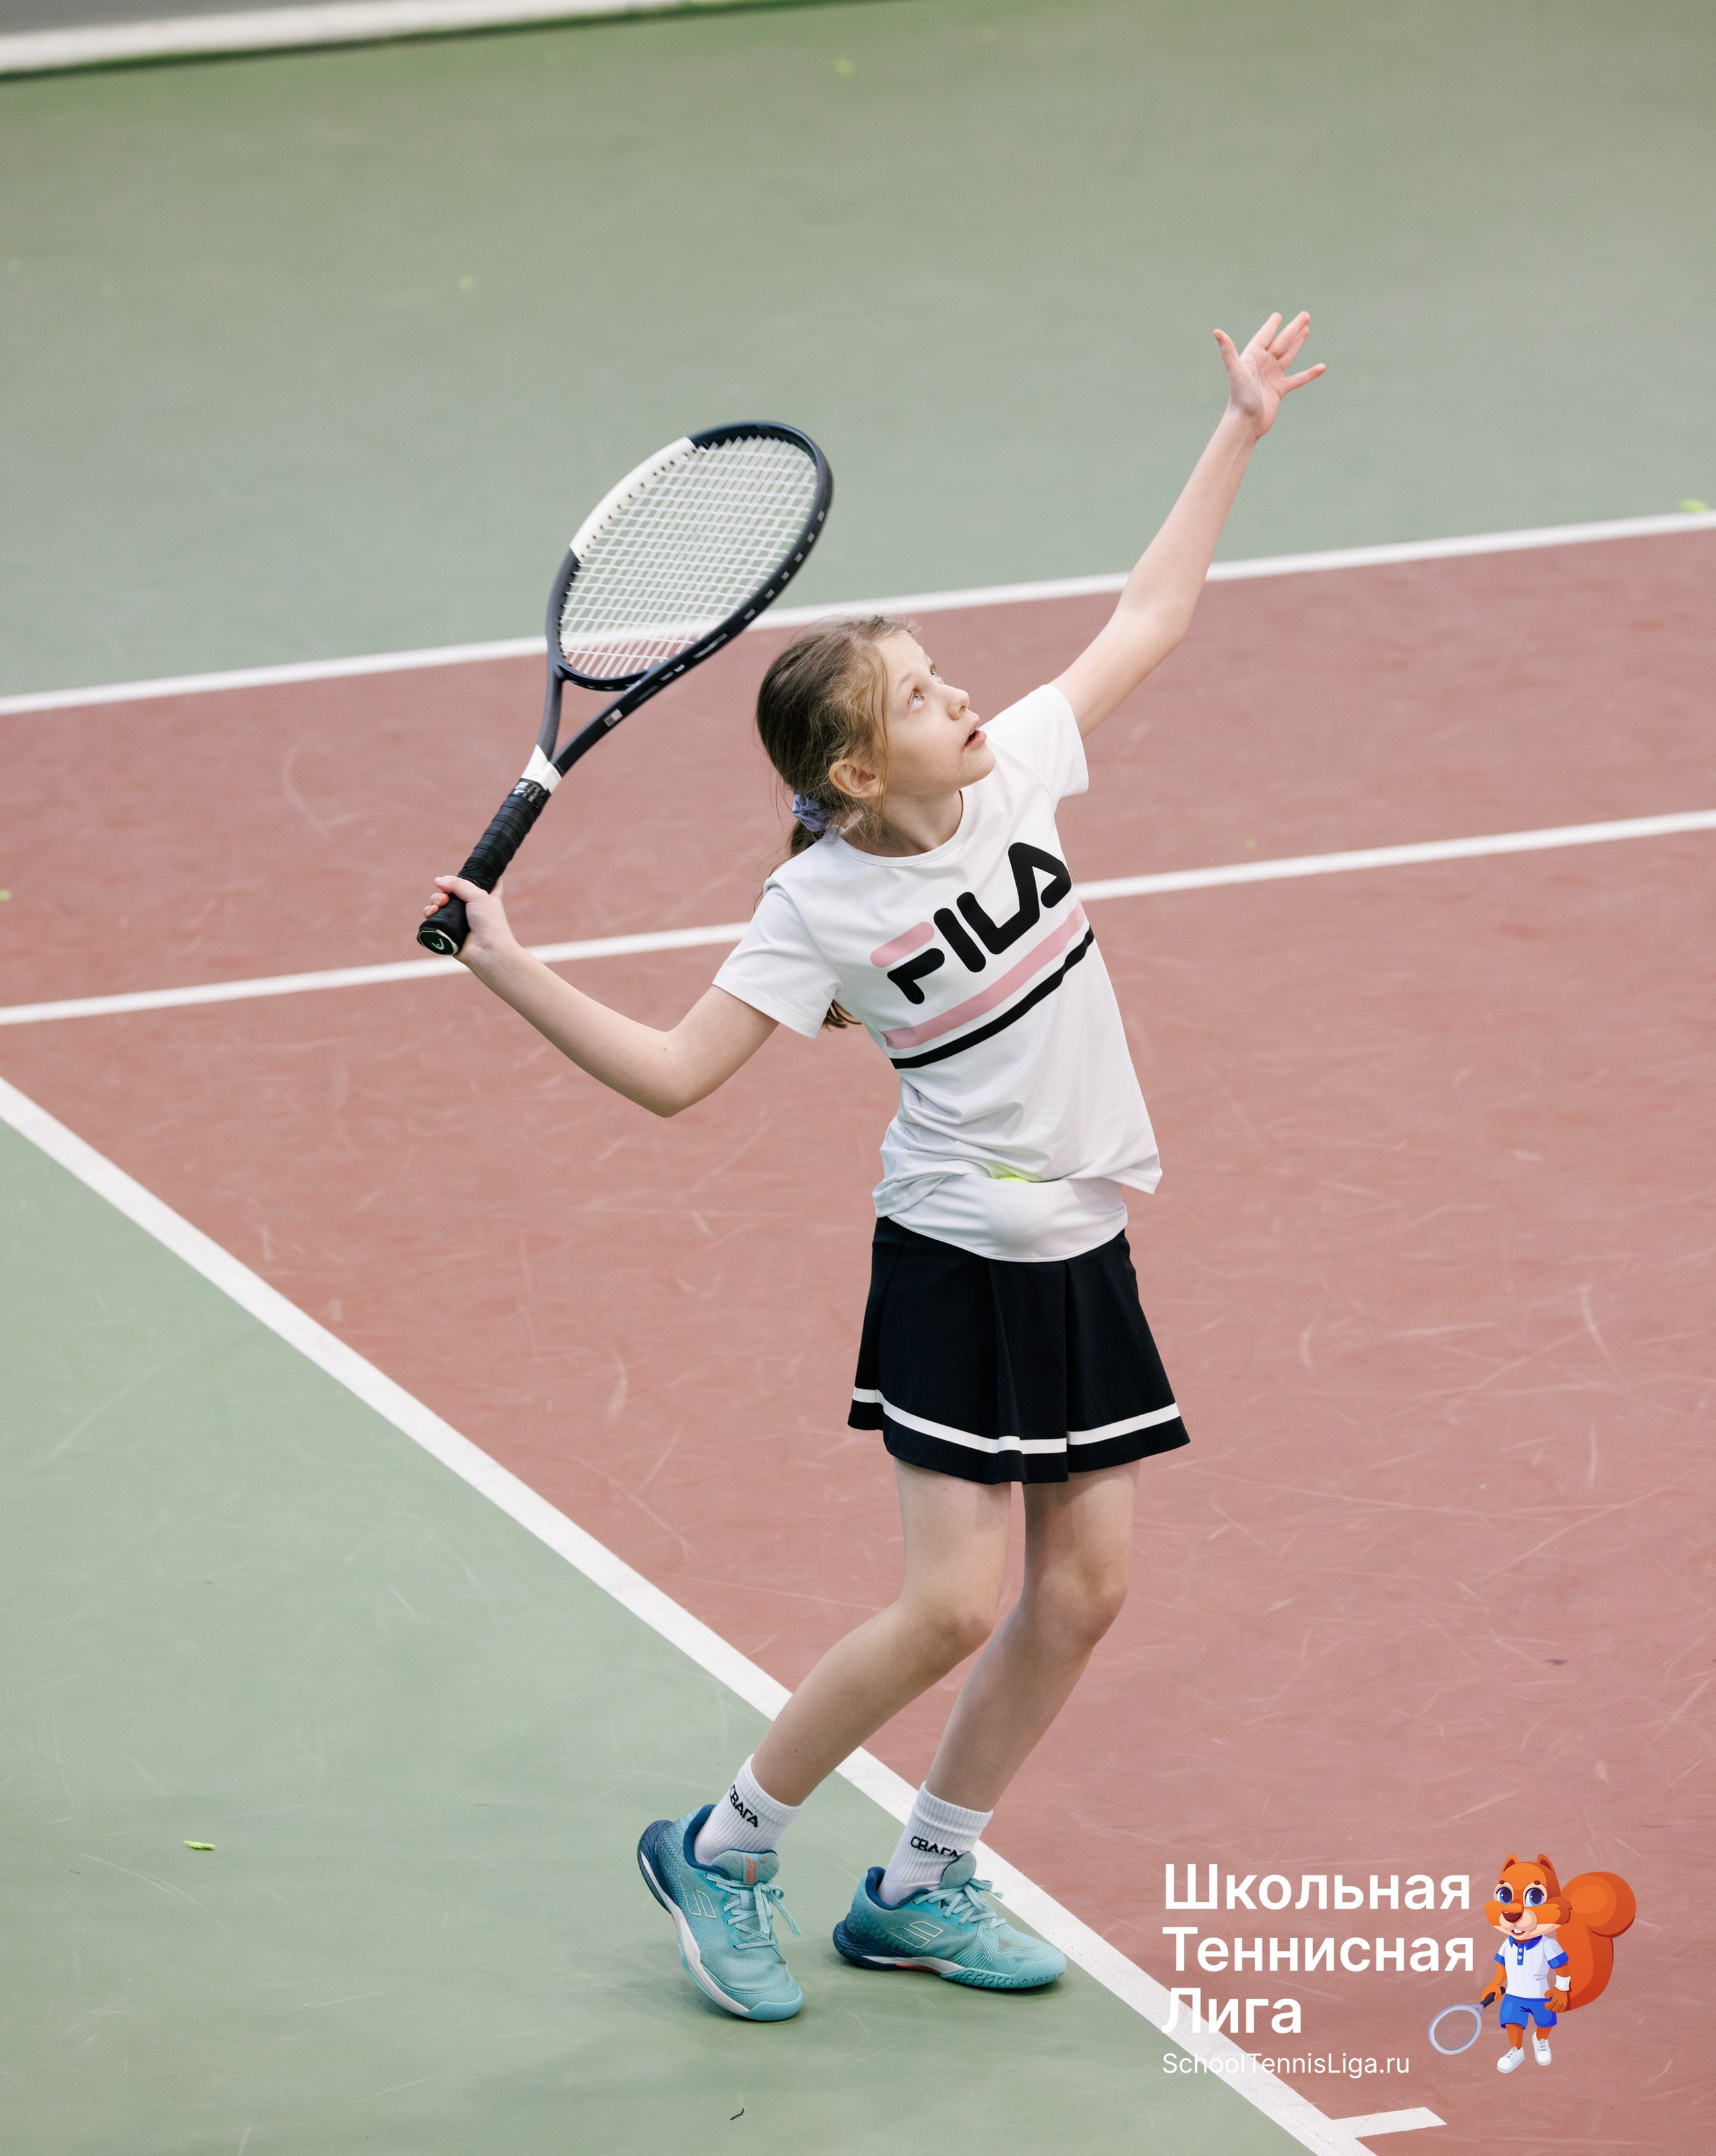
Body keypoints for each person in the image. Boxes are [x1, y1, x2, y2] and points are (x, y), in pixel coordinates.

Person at [428, 309, 1325, 2023]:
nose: (963, 691)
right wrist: (512, 964)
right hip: (951, 1257)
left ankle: (921, 1876)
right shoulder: (815, 906)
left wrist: (1238, 430)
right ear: (857, 767)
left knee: (1085, 1588)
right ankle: (725, 1840)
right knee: (947, 1601)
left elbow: (1146, 617)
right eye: (923, 692)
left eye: (944, 670)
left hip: (1080, 1243)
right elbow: (683, 1076)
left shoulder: (1017, 782)